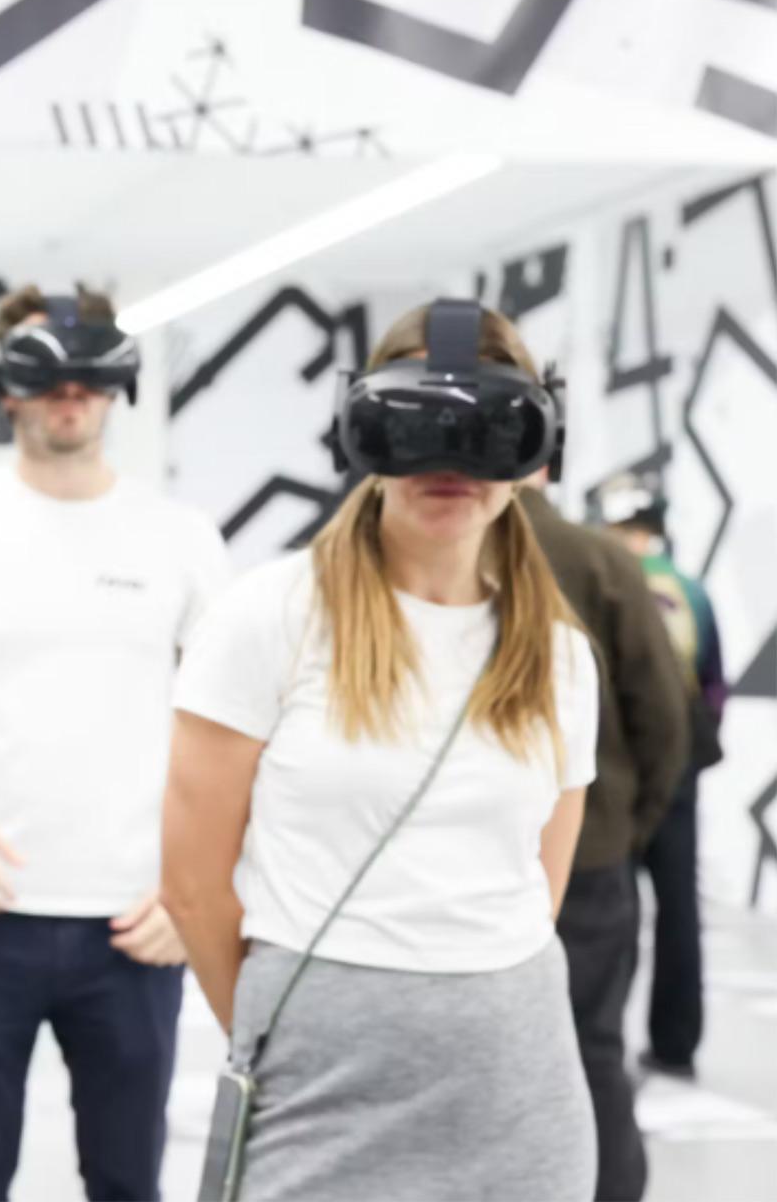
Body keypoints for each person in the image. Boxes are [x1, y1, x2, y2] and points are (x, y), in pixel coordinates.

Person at [162, 300, 600, 1200]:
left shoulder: (558, 656)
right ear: (362, 432)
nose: (450, 462)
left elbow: (537, 886)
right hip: (318, 1090)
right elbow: (194, 886)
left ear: (536, 450)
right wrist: (293, 1030)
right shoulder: (272, 615)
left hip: (519, 1091)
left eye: (489, 431)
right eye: (415, 426)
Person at [0, 284, 229, 1202]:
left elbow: (229, 734)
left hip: (135, 924)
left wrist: (195, 890)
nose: (70, 394)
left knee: (129, 1183)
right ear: (6, 385)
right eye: (44, 372)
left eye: (91, 373)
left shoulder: (180, 539)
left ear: (118, 384)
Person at [519, 465, 689, 1202]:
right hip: (591, 858)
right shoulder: (602, 562)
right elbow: (663, 718)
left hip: (481, 868)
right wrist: (627, 828)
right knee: (592, 1052)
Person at [589, 472, 726, 1081]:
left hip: (613, 769)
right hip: (680, 772)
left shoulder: (600, 580)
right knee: (677, 909)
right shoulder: (691, 590)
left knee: (604, 908)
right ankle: (676, 1042)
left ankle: (601, 1037)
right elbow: (714, 686)